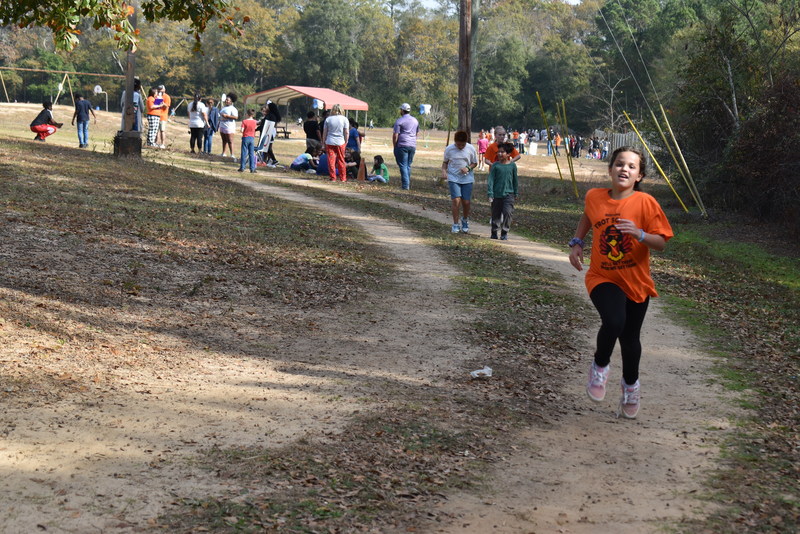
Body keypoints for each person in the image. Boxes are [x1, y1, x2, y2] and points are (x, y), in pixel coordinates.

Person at [568, 146, 674, 419]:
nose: (624, 169)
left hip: (636, 281)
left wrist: (639, 234)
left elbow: (661, 242)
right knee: (614, 322)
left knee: (630, 339)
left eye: (631, 166)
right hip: (602, 277)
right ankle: (600, 367)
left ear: (639, 175)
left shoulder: (646, 203)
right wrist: (578, 242)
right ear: (610, 168)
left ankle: (630, 386)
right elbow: (589, 216)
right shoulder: (594, 197)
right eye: (619, 164)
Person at [441, 130, 478, 233]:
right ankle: (455, 224)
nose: (461, 146)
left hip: (467, 179)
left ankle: (465, 220)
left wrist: (468, 168)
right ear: (455, 141)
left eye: (463, 144)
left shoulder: (470, 149)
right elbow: (445, 163)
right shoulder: (449, 149)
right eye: (458, 144)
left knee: (466, 201)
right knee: (456, 200)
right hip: (453, 178)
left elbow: (474, 163)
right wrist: (444, 171)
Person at [487, 142, 518, 240]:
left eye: (502, 152)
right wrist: (490, 193)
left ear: (508, 154)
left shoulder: (512, 166)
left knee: (508, 212)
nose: (499, 154)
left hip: (509, 194)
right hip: (496, 194)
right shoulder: (495, 165)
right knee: (496, 214)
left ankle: (504, 232)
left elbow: (515, 180)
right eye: (498, 152)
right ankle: (494, 231)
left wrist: (516, 192)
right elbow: (491, 180)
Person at [392, 103, 419, 190]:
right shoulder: (415, 120)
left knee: (403, 165)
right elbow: (417, 133)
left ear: (402, 110)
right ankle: (407, 184)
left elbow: (395, 135)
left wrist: (395, 145)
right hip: (412, 145)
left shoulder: (399, 121)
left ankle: (405, 186)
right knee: (408, 165)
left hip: (402, 145)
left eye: (401, 110)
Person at [322, 103, 349, 182]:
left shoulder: (328, 119)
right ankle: (343, 178)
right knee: (341, 160)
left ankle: (333, 177)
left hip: (330, 141)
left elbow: (325, 132)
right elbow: (346, 132)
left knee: (331, 160)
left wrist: (323, 142)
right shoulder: (344, 119)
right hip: (340, 142)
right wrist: (346, 141)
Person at [219, 93, 238, 158]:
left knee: (230, 140)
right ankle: (223, 153)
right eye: (226, 100)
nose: (226, 101)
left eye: (228, 100)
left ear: (231, 101)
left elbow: (236, 117)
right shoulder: (224, 108)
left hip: (229, 126)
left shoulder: (233, 109)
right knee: (224, 140)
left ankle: (232, 154)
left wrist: (227, 116)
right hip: (222, 125)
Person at [238, 109, 257, 173]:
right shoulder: (255, 122)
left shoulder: (244, 121)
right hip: (252, 138)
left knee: (244, 153)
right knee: (251, 154)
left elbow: (242, 130)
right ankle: (252, 168)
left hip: (245, 137)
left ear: (247, 114)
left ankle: (242, 167)